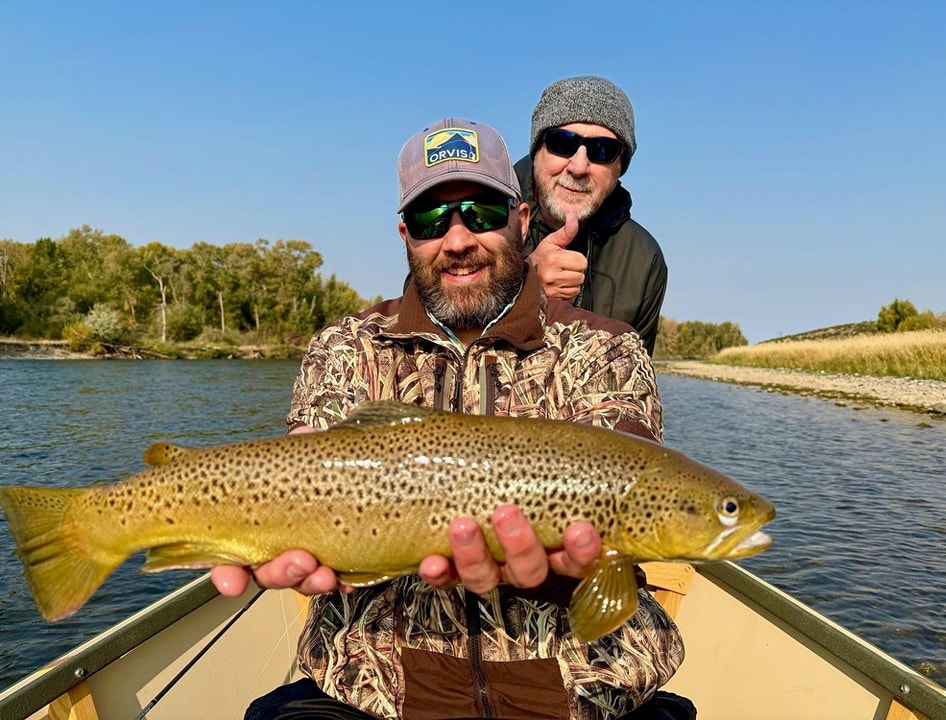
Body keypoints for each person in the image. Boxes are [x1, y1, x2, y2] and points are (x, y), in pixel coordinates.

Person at [212, 117, 693, 720]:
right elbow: (308, 457)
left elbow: (628, 461)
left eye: (481, 214)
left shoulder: (604, 348)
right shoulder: (347, 344)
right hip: (372, 691)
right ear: (405, 235)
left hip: (587, 691)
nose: (457, 239)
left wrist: (568, 565)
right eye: (431, 220)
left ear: (521, 221)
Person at [516, 75, 668, 356]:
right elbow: (421, 333)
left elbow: (633, 381)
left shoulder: (644, 260)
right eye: (562, 143)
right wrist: (524, 288)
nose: (579, 166)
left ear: (620, 166)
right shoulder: (481, 214)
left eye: (602, 150)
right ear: (537, 150)